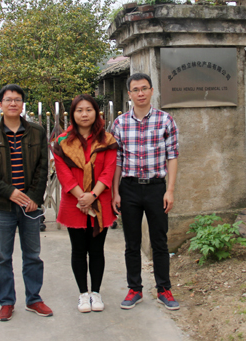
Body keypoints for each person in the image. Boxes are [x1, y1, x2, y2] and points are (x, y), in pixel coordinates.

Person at [0, 84, 52, 320]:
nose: (13, 103)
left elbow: (43, 166)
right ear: (0, 104)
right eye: (8, 99)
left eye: (17, 99)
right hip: (3, 206)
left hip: (30, 205)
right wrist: (9, 192)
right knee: (3, 257)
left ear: (22, 104)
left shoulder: (37, 131)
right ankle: (6, 301)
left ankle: (34, 299)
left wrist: (34, 198)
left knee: (32, 254)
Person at [111, 72, 180, 311]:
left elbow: (173, 156)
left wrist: (170, 190)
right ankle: (135, 289)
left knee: (159, 241)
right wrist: (115, 192)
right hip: (129, 188)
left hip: (156, 188)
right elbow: (117, 160)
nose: (140, 93)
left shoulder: (165, 120)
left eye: (144, 88)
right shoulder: (119, 123)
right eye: (135, 90)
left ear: (151, 90)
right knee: (132, 243)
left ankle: (164, 289)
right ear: (129, 94)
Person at [52, 94, 118, 313]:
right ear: (73, 114)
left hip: (100, 202)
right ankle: (83, 294)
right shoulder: (62, 141)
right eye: (79, 110)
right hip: (75, 203)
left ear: (96, 113)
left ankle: (96, 292)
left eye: (89, 110)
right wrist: (82, 197)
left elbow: (109, 170)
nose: (84, 114)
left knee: (97, 250)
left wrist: (93, 196)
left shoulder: (107, 140)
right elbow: (63, 173)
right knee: (78, 250)